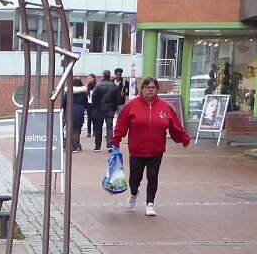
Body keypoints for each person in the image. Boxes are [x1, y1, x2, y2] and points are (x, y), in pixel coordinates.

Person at [110, 76, 190, 217]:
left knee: (152, 176)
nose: (151, 90)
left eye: (153, 88)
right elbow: (121, 124)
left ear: (157, 89)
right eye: (147, 87)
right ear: (142, 89)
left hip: (156, 150)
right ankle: (134, 193)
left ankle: (150, 203)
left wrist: (184, 138)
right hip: (137, 150)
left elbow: (175, 125)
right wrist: (116, 140)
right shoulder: (131, 106)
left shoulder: (165, 107)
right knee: (135, 179)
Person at [88, 69, 115, 150]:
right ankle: (109, 144)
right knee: (109, 127)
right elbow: (117, 97)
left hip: (99, 109)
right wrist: (114, 107)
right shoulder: (113, 85)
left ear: (103, 76)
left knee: (98, 127)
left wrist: (95, 106)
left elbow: (94, 96)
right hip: (110, 109)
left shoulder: (98, 85)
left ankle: (97, 146)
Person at [67, 76, 91, 151]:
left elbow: (64, 102)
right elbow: (86, 103)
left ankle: (71, 144)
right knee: (77, 129)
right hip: (80, 112)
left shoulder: (68, 91)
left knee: (70, 129)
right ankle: (75, 144)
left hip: (70, 111)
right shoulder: (83, 93)